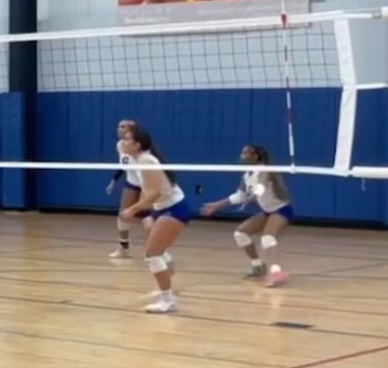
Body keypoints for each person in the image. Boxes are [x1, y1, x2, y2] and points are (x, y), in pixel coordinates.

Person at [119, 126, 190, 314]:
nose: (123, 142)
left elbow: (155, 192)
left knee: (152, 254)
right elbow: (150, 190)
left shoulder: (146, 160)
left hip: (174, 208)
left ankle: (168, 300)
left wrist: (132, 209)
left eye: (127, 139)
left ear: (137, 144)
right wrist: (151, 215)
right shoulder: (139, 160)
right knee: (160, 253)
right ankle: (168, 289)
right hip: (162, 209)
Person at [201, 144, 294, 286]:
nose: (242, 156)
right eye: (242, 153)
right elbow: (240, 196)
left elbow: (261, 185)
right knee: (240, 234)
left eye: (245, 153)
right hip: (267, 212)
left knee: (267, 239)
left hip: (281, 210)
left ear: (255, 156)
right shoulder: (247, 175)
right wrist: (216, 205)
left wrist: (255, 194)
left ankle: (277, 272)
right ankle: (258, 266)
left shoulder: (264, 169)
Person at [106, 119, 142, 258]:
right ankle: (123, 248)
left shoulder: (141, 146)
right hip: (132, 183)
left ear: (132, 130)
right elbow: (123, 165)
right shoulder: (120, 145)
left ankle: (161, 251)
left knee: (151, 217)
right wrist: (113, 181)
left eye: (122, 127)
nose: (118, 129)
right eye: (118, 126)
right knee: (123, 215)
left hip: (147, 183)